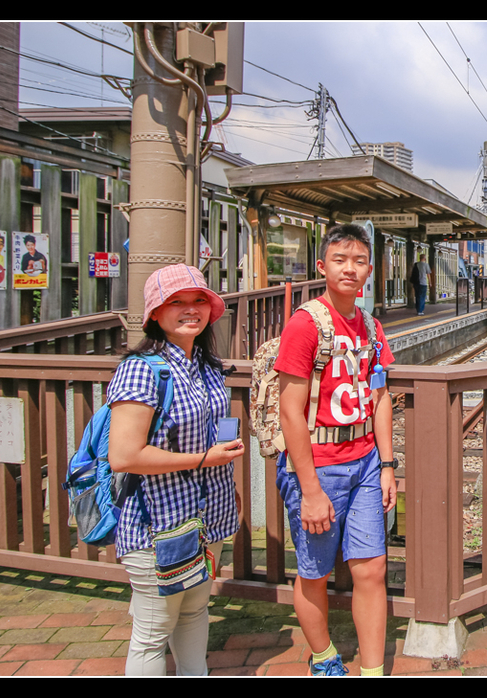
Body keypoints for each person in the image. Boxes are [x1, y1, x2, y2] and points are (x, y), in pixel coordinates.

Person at [107, 264, 245, 676]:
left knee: (194, 611)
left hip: (206, 519)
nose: (190, 310)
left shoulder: (205, 364)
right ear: (155, 313)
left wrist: (222, 478)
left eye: (199, 300)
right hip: (159, 524)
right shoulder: (142, 369)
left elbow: (213, 435)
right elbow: (125, 456)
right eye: (176, 302)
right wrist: (205, 460)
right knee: (153, 630)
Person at [274, 223, 397, 676]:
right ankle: (324, 657)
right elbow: (291, 412)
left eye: (359, 260)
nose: (351, 268)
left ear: (370, 269)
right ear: (322, 267)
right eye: (340, 260)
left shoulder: (371, 326)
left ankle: (371, 669)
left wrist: (386, 464)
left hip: (365, 462)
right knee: (314, 572)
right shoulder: (305, 324)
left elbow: (381, 397)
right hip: (318, 468)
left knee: (371, 570)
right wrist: (308, 489)